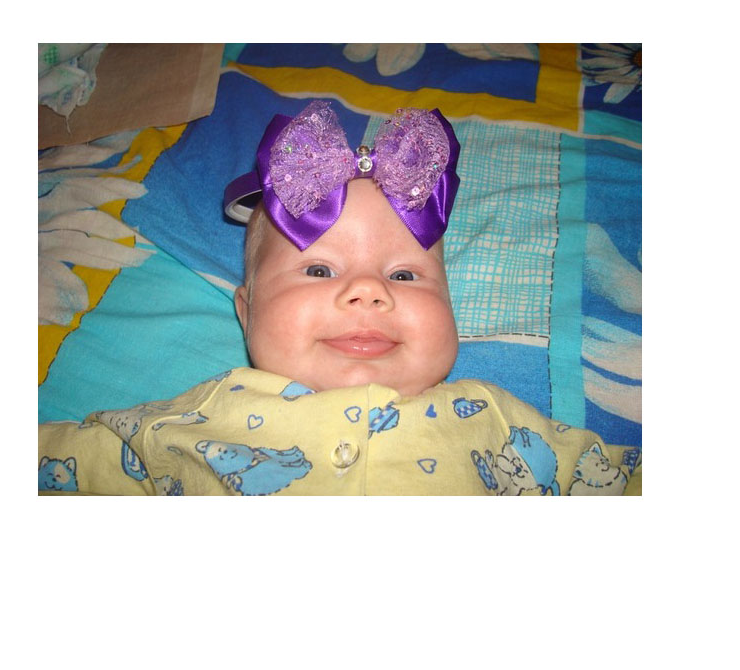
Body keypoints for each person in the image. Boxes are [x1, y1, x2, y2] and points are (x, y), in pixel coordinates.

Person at [38, 102, 641, 496]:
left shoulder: (498, 421)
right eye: (320, 268)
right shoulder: (197, 416)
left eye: (404, 276)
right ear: (246, 312)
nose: (369, 291)